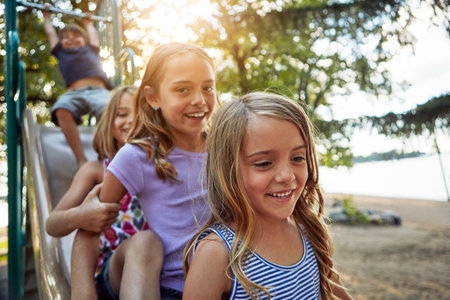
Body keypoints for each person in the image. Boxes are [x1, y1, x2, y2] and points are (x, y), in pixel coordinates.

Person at [183, 92, 354, 300]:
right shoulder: (217, 254)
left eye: (298, 158)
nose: (287, 176)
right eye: (264, 163)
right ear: (227, 170)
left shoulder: (307, 230)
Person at [98, 42, 218, 299]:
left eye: (208, 88)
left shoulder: (225, 148)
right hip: (161, 285)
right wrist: (83, 290)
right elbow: (90, 226)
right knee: (145, 242)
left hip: (216, 283)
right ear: (153, 98)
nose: (199, 100)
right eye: (182, 89)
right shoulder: (137, 156)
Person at [45, 86, 160, 300]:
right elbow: (52, 223)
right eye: (122, 114)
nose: (131, 121)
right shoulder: (96, 171)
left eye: (140, 115)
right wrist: (80, 216)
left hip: (163, 268)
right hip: (115, 270)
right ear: (109, 123)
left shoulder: (163, 168)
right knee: (144, 242)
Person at [43, 5, 113, 167]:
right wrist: (47, 17)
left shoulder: (91, 49)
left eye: (76, 35)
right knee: (61, 109)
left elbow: (93, 35)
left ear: (84, 40)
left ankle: (107, 151)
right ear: (61, 43)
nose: (71, 38)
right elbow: (50, 33)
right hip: (73, 93)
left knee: (110, 109)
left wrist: (88, 23)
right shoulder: (61, 52)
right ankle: (81, 158)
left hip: (98, 91)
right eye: (66, 37)